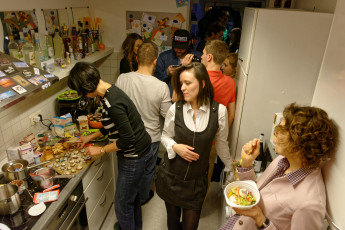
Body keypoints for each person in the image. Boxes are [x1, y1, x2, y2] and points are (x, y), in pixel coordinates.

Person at [220, 103, 338, 230]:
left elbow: (258, 213)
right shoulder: (283, 160)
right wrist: (246, 164)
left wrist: (261, 220)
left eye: (281, 130)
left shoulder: (310, 204)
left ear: (299, 142)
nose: (275, 132)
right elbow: (253, 194)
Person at [67, 62, 153, 230]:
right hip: (140, 151)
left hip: (133, 156)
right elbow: (112, 125)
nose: (82, 96)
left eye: (81, 92)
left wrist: (99, 149)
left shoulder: (111, 103)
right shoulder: (110, 91)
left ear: (86, 86)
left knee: (121, 205)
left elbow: (127, 139)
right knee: (131, 198)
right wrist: (90, 137)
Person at [156, 62, 232, 230]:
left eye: (188, 83)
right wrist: (175, 147)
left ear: (203, 83)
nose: (183, 88)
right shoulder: (175, 109)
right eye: (181, 83)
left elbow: (221, 144)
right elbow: (165, 137)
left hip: (196, 182)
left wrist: (230, 167)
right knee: (173, 225)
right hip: (171, 178)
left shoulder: (219, 112)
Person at [115, 43, 172, 205]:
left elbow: (116, 107)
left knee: (126, 173)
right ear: (155, 61)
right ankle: (142, 197)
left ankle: (129, 199)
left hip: (127, 137)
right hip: (150, 138)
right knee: (147, 171)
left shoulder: (122, 79)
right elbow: (167, 115)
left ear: (137, 58)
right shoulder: (161, 86)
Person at [201, 40, 236, 183]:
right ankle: (200, 204)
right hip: (214, 140)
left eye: (203, 53)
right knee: (207, 173)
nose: (201, 56)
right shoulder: (230, 82)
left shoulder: (198, 78)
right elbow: (231, 114)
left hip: (193, 137)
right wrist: (219, 136)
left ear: (209, 57)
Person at [154, 29, 202, 97]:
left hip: (192, 98)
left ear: (188, 44)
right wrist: (167, 73)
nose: (179, 50)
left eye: (182, 48)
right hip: (170, 99)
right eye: (176, 47)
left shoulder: (198, 56)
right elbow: (156, 81)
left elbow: (204, 79)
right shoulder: (164, 57)